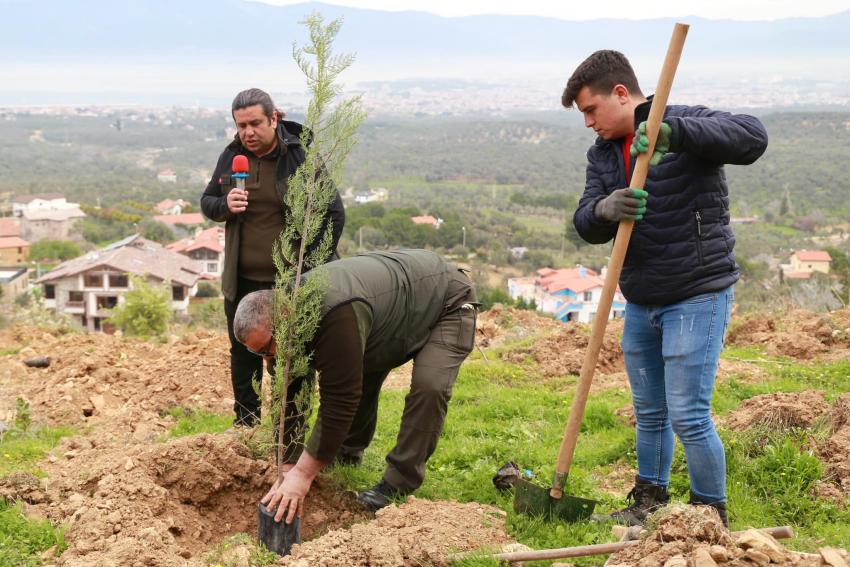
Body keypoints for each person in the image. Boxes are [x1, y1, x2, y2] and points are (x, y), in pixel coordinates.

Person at [564, 50, 768, 526]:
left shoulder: (685, 122)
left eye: (591, 110)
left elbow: (752, 137)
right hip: (641, 299)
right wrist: (603, 210)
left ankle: (707, 517)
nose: (588, 123)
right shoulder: (602, 154)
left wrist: (676, 136)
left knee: (689, 414)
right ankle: (648, 503)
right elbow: (585, 219)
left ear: (620, 94)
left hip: (698, 292)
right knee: (650, 411)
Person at [233, 249, 477, 522]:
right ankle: (346, 452)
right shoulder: (287, 321)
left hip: (445, 300)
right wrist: (290, 461)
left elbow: (339, 398)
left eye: (267, 348)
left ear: (284, 316)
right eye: (258, 353)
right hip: (389, 317)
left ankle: (398, 481)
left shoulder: (335, 312)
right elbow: (292, 391)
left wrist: (303, 474)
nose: (268, 359)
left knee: (430, 386)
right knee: (356, 370)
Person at [201, 88, 345, 427]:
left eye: (255, 123)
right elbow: (208, 201)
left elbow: (334, 214)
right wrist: (224, 206)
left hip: (291, 281)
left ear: (274, 118)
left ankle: (291, 427)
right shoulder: (231, 156)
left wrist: (308, 267)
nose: (247, 132)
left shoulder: (299, 156)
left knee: (293, 354)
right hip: (243, 279)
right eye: (241, 125)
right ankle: (246, 423)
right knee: (243, 351)